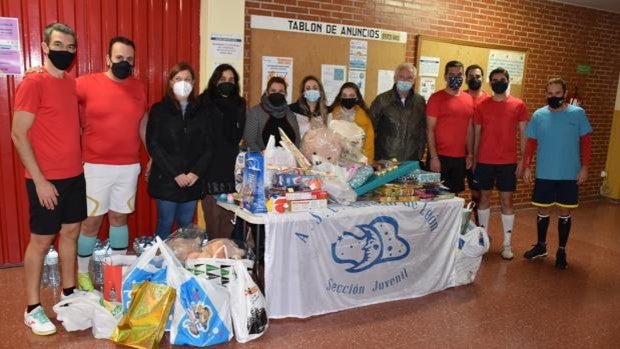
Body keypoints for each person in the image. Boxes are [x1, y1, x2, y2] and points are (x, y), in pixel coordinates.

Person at [11, 22, 84, 335]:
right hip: (46, 180)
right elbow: (18, 133)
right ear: (44, 46)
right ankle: (32, 307)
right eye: (58, 45)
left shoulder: (70, 83)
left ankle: (68, 293)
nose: (64, 52)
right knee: (41, 242)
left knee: (70, 233)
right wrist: (40, 181)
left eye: (70, 47)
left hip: (74, 176)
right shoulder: (33, 83)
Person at [74, 36, 148, 291]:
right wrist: (39, 72)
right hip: (95, 167)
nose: (124, 63)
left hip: (128, 167)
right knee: (91, 222)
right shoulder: (86, 83)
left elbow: (142, 124)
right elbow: (58, 93)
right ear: (108, 59)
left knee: (119, 218)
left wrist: (153, 156)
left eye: (129, 59)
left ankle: (116, 275)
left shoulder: (139, 88)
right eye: (119, 58)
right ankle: (82, 273)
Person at [521, 78, 592, 269]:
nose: (553, 97)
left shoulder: (578, 114)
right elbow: (531, 143)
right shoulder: (539, 115)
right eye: (550, 93)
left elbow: (586, 142)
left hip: (569, 174)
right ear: (546, 94)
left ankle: (561, 250)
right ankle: (541, 246)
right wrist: (526, 165)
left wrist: (585, 167)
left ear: (565, 93)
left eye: (557, 93)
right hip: (545, 173)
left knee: (564, 213)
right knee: (542, 211)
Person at [147, 62, 212, 239]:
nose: (183, 83)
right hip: (166, 179)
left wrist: (195, 173)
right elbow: (153, 144)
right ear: (170, 82)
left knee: (186, 224)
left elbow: (208, 146)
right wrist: (176, 173)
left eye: (187, 79)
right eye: (178, 79)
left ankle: (183, 262)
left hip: (192, 180)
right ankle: (159, 262)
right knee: (165, 222)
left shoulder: (202, 112)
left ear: (193, 83)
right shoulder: (159, 110)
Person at [473, 67, 528, 260]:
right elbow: (477, 134)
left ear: (508, 80)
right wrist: (473, 158)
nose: (498, 82)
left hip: (508, 162)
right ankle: (483, 241)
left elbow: (524, 134)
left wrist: (524, 161)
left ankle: (507, 244)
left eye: (501, 79)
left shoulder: (518, 105)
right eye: (494, 80)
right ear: (490, 82)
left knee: (507, 201)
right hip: (484, 161)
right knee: (484, 199)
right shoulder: (481, 105)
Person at [200, 64, 246, 239]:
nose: (227, 83)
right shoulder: (204, 101)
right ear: (215, 81)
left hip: (231, 167)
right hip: (209, 166)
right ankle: (213, 256)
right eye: (223, 79)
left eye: (231, 80)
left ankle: (226, 256)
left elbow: (238, 135)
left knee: (229, 218)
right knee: (213, 217)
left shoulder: (239, 103)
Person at [425, 60, 474, 194]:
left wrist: (469, 155)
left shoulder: (468, 99)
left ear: (463, 77)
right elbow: (430, 130)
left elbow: (469, 130)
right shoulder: (436, 98)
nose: (456, 78)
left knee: (454, 197)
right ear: (445, 76)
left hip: (459, 158)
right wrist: (434, 158)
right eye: (452, 74)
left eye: (459, 75)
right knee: (435, 196)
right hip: (440, 157)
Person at [370, 63, 426, 162]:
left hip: (411, 160)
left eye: (409, 77)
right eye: (401, 77)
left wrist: (419, 154)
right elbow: (370, 129)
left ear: (414, 80)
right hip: (385, 160)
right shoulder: (382, 100)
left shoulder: (420, 102)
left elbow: (422, 131)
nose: (405, 80)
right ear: (395, 78)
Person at [244, 76, 300, 151]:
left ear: (285, 94)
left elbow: (297, 140)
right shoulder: (255, 113)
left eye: (281, 91)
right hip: (263, 160)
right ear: (267, 93)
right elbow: (249, 140)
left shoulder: (290, 114)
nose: (277, 94)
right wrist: (264, 155)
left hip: (287, 160)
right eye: (273, 91)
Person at [464, 64, 489, 224]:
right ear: (466, 78)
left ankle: (480, 227)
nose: (475, 79)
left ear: (483, 78)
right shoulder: (460, 97)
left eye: (478, 76)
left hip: (480, 155)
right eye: (471, 76)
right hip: (459, 153)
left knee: (478, 194)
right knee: (452, 193)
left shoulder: (488, 100)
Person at [328, 82, 375, 164]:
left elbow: (369, 146)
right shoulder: (331, 116)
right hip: (336, 164)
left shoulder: (365, 119)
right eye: (345, 95)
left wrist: (368, 163)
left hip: (358, 163)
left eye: (351, 95)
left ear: (357, 98)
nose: (348, 98)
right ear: (340, 97)